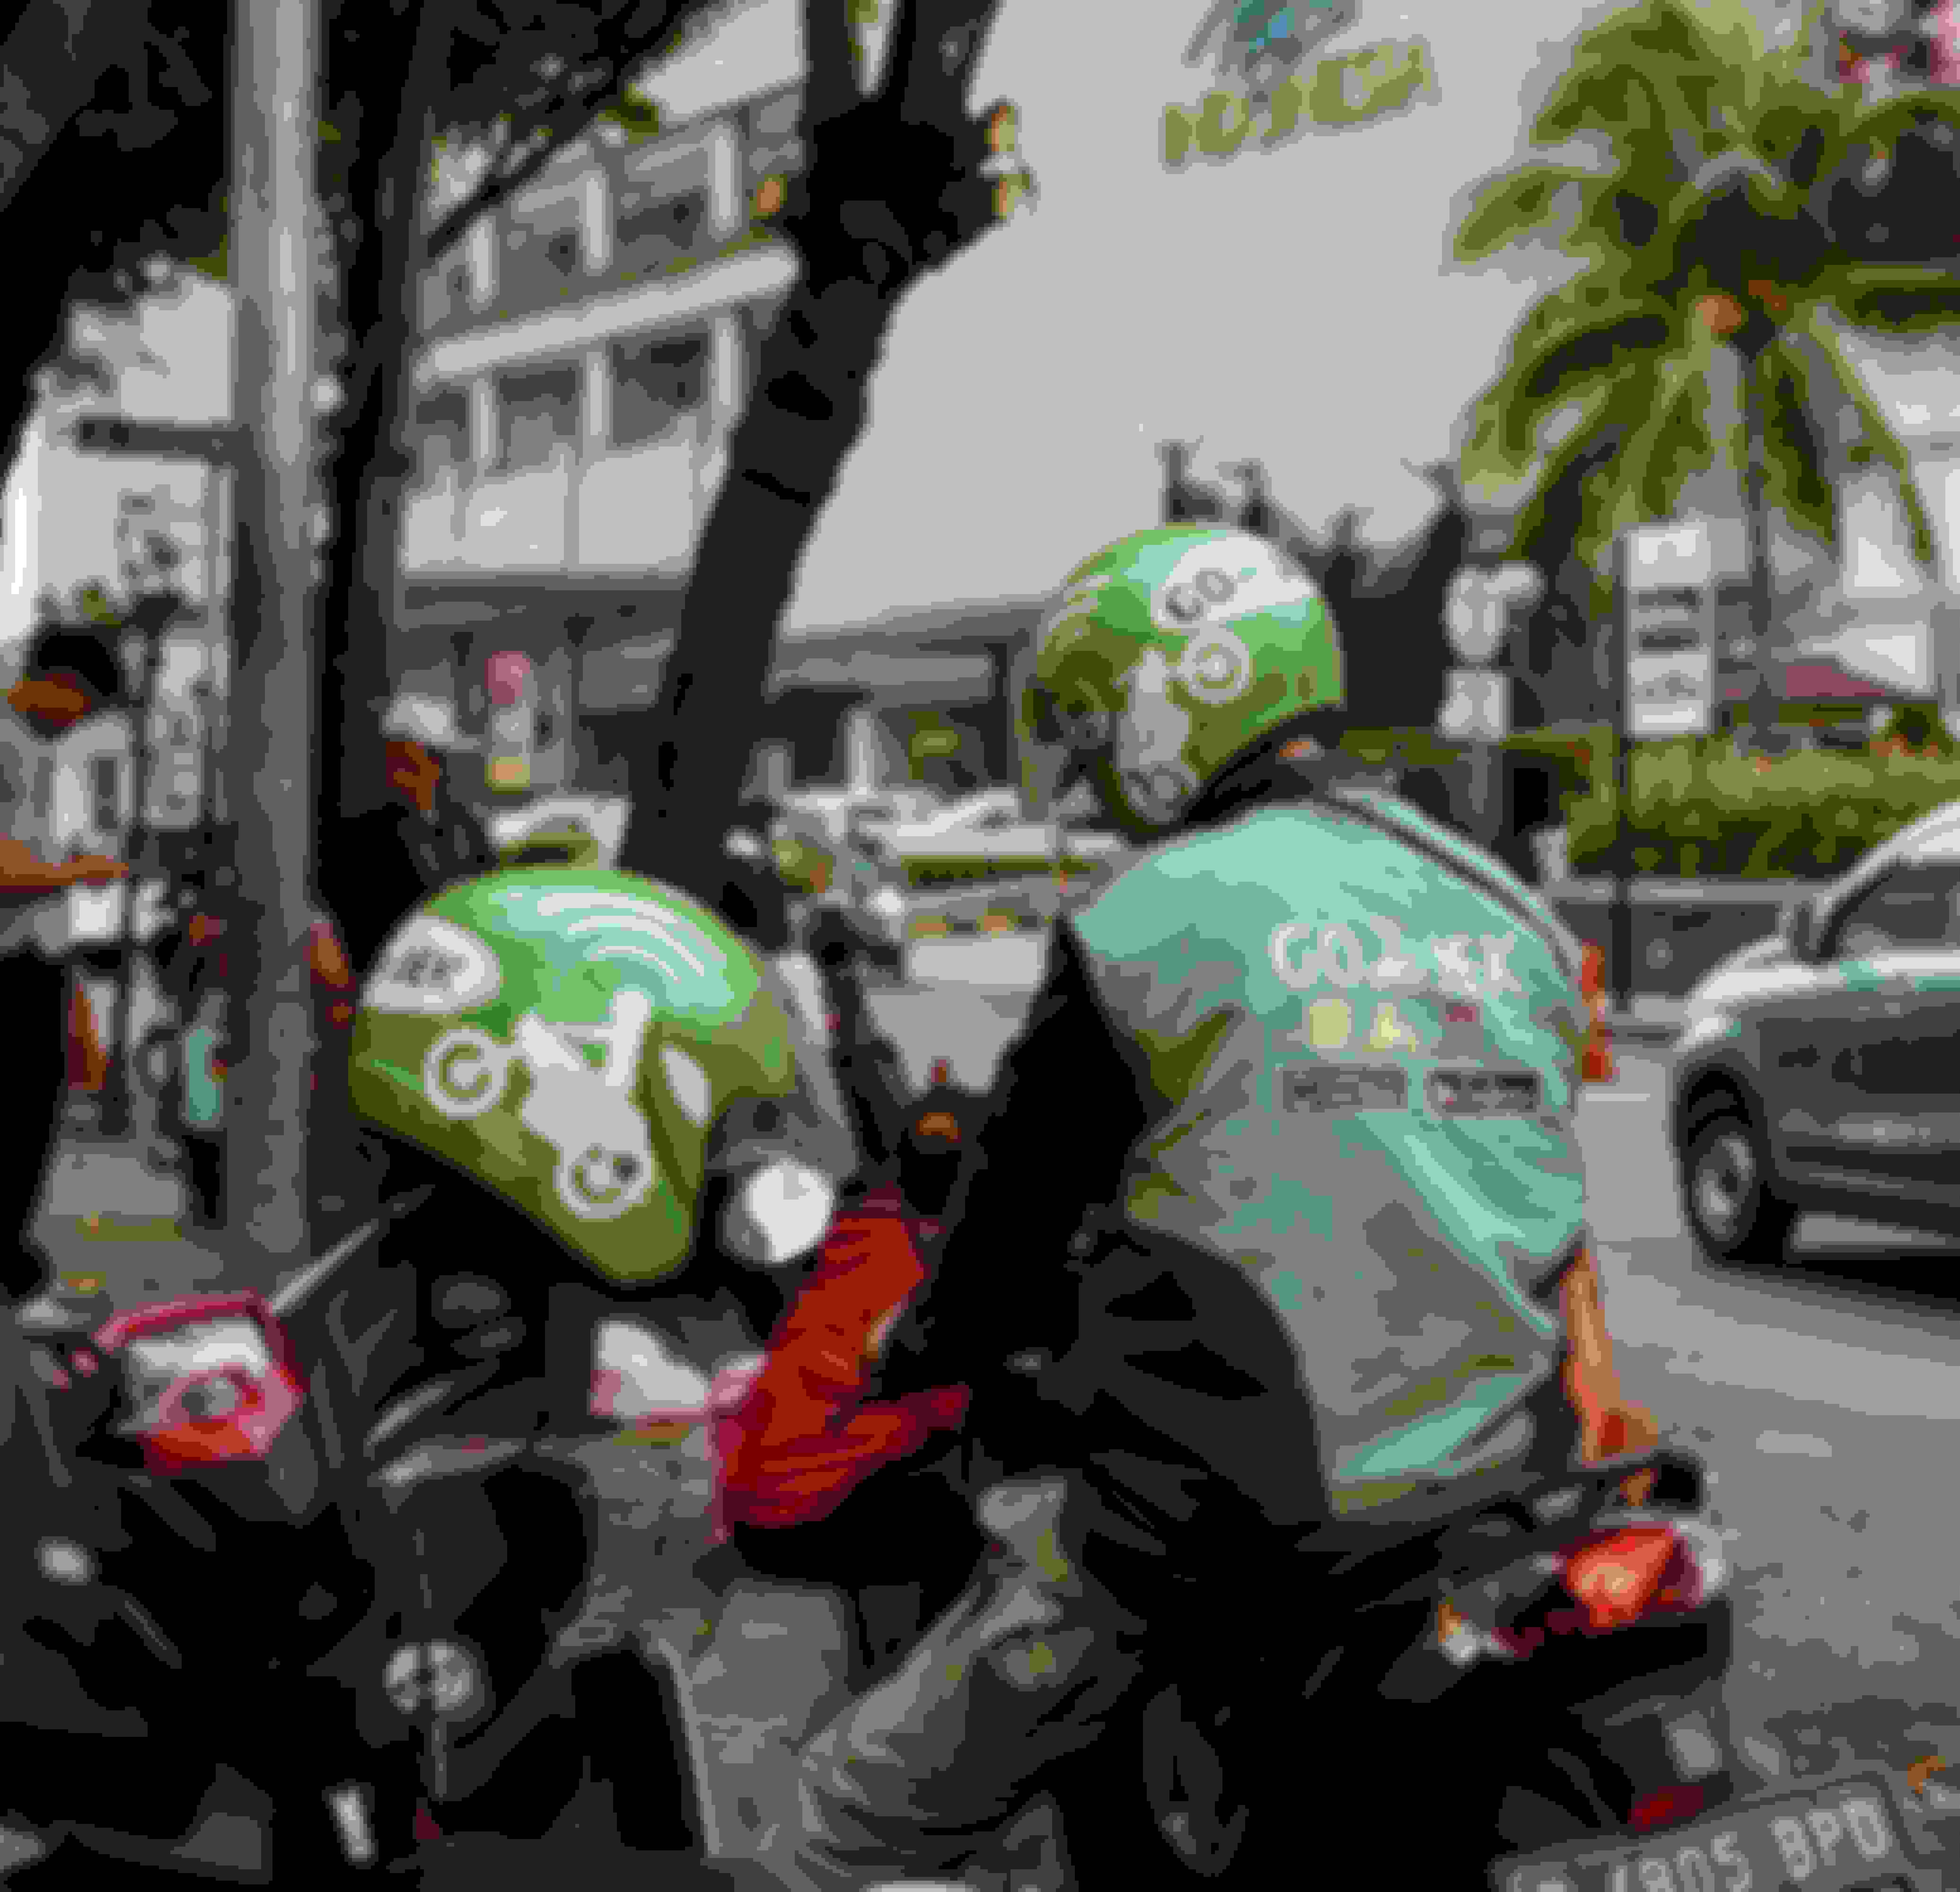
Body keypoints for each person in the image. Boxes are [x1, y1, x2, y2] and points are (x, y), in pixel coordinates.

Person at [712, 524, 1655, 1891]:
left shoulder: (1148, 918)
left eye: (1099, 731)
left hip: (1231, 1523)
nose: (1095, 770)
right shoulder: (1499, 907)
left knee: (840, 1831)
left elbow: (1013, 1223)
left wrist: (912, 1349)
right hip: (1514, 1481)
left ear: (1172, 708)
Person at [0, 630, 129, 1306]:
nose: (78, 723)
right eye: (81, 707)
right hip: (11, 966)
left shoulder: (40, 753)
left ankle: (16, 1262)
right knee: (17, 1120)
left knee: (34, 1120)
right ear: (57, 682)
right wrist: (79, 871)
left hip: (39, 960)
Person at [323, 692, 500, 978]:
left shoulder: (467, 830)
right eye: (393, 756)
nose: (396, 768)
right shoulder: (360, 837)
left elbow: (488, 900)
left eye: (412, 758)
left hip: (457, 978)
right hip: (389, 981)